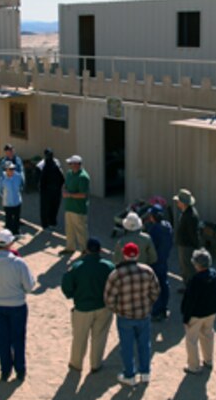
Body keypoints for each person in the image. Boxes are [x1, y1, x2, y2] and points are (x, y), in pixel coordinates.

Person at [0, 229, 36, 382]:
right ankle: (20, 369)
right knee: (18, 338)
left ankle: (5, 370)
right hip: (17, 305)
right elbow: (29, 286)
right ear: (11, 244)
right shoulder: (18, 263)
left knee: (2, 338)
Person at [104, 242, 160, 386]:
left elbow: (109, 298)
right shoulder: (147, 271)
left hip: (125, 316)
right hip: (143, 314)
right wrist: (148, 304)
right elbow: (155, 291)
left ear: (124, 254)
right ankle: (145, 373)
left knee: (127, 346)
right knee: (144, 345)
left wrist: (118, 309)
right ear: (138, 254)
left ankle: (129, 374)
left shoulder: (116, 275)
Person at [61, 237, 115, 373]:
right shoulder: (108, 266)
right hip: (103, 306)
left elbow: (66, 285)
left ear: (86, 250)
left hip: (83, 307)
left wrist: (73, 295)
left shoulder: (77, 266)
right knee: (100, 336)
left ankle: (76, 363)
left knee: (79, 337)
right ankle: (96, 364)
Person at [181, 248, 216, 374]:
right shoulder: (215, 275)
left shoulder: (195, 280)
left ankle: (194, 366)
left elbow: (190, 300)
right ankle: (208, 360)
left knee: (191, 340)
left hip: (196, 314)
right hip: (211, 311)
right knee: (208, 336)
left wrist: (186, 317)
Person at [144, 204, 174, 322]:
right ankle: (163, 308)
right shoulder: (168, 227)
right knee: (164, 284)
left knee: (155, 286)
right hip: (164, 259)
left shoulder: (155, 230)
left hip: (155, 261)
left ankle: (156, 311)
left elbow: (150, 246)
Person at [173, 189, 203, 289]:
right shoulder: (186, 212)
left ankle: (190, 287)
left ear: (183, 203)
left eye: (178, 201)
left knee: (188, 268)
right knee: (184, 267)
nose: (177, 203)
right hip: (184, 244)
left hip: (187, 246)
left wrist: (196, 247)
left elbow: (193, 234)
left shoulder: (190, 216)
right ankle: (186, 285)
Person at [61, 155, 90, 255]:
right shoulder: (69, 173)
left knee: (81, 231)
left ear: (77, 164)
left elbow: (83, 195)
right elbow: (65, 184)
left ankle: (85, 249)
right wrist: (64, 189)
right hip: (69, 207)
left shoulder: (83, 177)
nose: (69, 165)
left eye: (71, 163)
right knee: (69, 229)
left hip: (78, 209)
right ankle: (70, 248)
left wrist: (69, 194)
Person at [37, 148, 65, 229]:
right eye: (48, 154)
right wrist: (41, 189)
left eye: (51, 154)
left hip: (56, 189)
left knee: (55, 206)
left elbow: (61, 175)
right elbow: (39, 179)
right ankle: (45, 224)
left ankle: (52, 221)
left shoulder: (56, 163)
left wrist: (61, 185)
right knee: (45, 208)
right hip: (46, 190)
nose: (49, 156)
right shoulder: (41, 165)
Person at [0, 161, 25, 235]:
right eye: (10, 169)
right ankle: (8, 234)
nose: (12, 170)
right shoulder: (3, 178)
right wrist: (5, 196)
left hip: (17, 202)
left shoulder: (18, 176)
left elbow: (21, 186)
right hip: (7, 203)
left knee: (16, 218)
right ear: (6, 170)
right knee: (8, 219)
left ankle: (16, 232)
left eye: (13, 168)